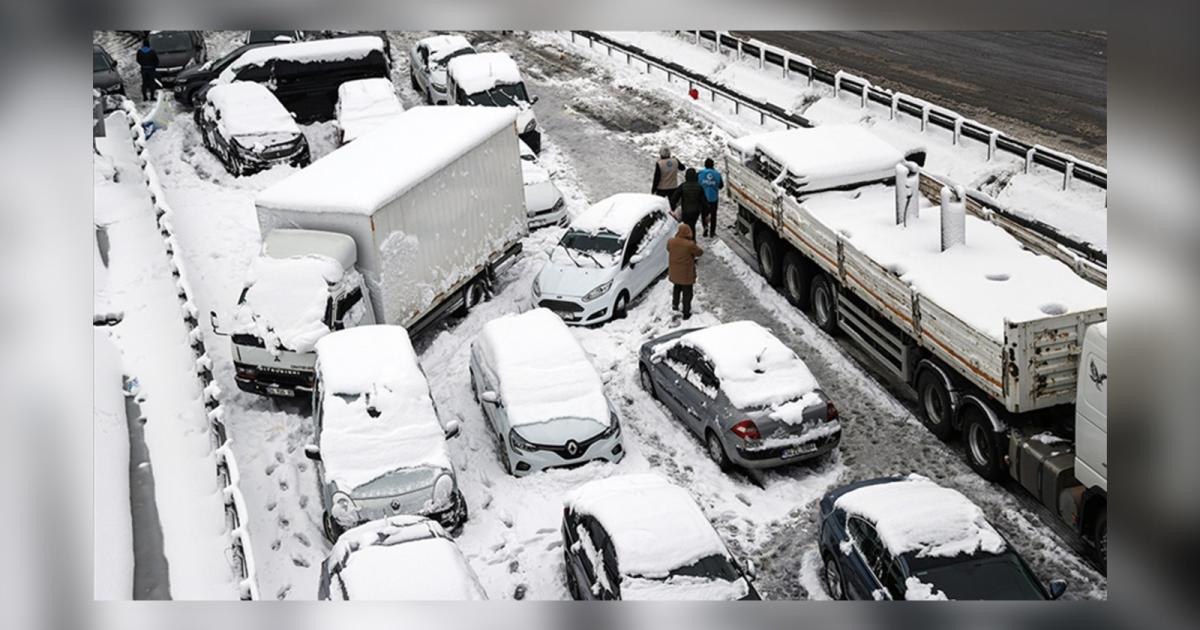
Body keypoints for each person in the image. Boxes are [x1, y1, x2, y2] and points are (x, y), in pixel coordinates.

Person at [667, 223, 703, 319]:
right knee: (687, 293)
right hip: (686, 274)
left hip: (675, 273)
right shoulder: (689, 245)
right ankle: (686, 312)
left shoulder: (671, 242)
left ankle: (675, 306)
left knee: (677, 288)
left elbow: (668, 249)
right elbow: (699, 252)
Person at [697, 158, 724, 238]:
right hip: (713, 198)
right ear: (713, 165)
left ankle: (705, 227)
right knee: (713, 215)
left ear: (705, 165)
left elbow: (697, 183)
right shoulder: (717, 174)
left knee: (704, 214)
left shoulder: (700, 173)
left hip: (703, 198)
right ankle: (712, 232)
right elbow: (721, 186)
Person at [676, 168, 706, 237]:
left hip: (686, 210)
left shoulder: (683, 186)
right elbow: (704, 201)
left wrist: (674, 206)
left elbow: (675, 197)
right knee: (692, 225)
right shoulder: (699, 187)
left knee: (687, 226)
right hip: (696, 211)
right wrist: (706, 211)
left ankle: (688, 240)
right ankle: (692, 240)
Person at [136, 37, 160, 101]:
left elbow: (138, 60)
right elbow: (156, 61)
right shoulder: (152, 51)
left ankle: (145, 97)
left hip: (143, 69)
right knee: (152, 83)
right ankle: (152, 97)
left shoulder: (139, 51)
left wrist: (142, 64)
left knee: (144, 83)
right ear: (149, 44)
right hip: (151, 69)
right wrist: (155, 66)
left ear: (143, 44)